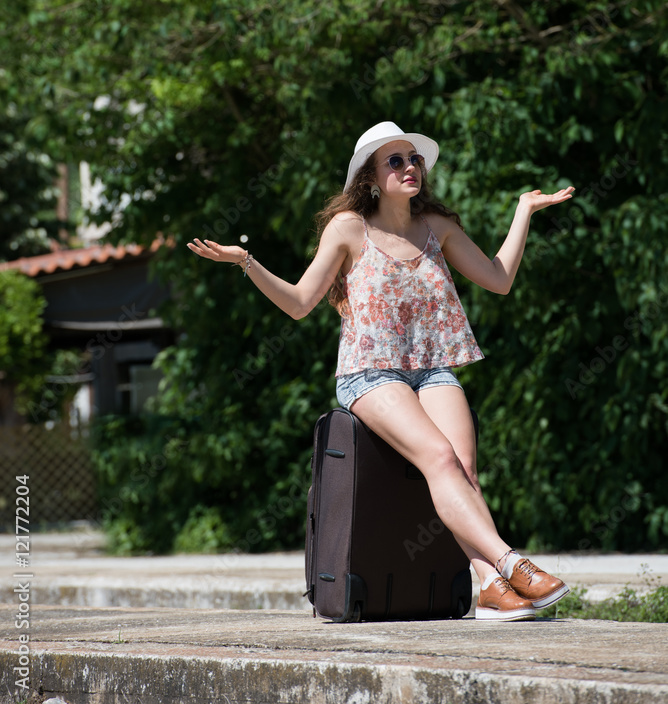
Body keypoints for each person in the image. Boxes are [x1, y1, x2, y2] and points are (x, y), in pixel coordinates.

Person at [187, 120, 575, 621]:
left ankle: (487, 587)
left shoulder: (436, 227)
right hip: (369, 374)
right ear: (371, 176)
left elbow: (498, 279)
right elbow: (301, 303)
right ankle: (509, 563)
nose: (409, 167)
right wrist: (247, 263)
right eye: (395, 161)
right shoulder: (349, 228)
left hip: (431, 369)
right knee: (438, 455)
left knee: (464, 469)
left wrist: (523, 210)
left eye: (413, 159)